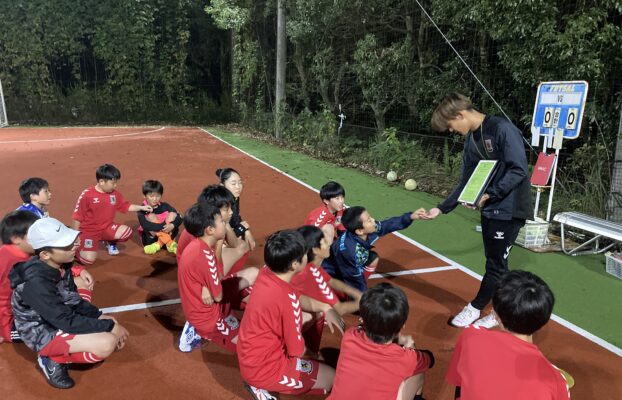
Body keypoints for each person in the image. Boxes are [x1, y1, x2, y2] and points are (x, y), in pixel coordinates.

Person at [421, 93, 531, 328]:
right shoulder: (472, 141)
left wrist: (491, 193)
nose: (452, 131)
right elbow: (466, 182)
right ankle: (503, 311)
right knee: (497, 263)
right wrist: (441, 209)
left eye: (451, 126)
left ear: (460, 114)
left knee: (495, 265)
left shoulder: (503, 129)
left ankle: (476, 308)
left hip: (510, 209)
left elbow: (519, 169)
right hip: (491, 209)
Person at [9, 218, 129, 389]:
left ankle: (63, 349)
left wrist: (98, 315)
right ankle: (51, 359)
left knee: (87, 293)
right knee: (106, 343)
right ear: (45, 254)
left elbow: (72, 298)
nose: (74, 246)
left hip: (56, 314)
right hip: (40, 330)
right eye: (66, 245)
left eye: (72, 241)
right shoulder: (35, 283)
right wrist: (108, 326)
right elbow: (65, 321)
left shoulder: (60, 265)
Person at [237, 230, 344, 399]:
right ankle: (258, 386)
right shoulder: (288, 300)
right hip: (265, 370)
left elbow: (295, 298)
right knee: (333, 379)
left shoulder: (267, 272)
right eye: (304, 254)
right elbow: (297, 350)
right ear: (294, 265)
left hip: (249, 353)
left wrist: (324, 306)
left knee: (312, 315)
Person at [446, 270, 570, 399]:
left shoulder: (470, 336)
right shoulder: (557, 382)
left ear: (495, 314)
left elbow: (459, 384)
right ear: (543, 320)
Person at [1, 211, 95, 344]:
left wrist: (77, 269)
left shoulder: (30, 253)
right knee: (62, 327)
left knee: (79, 282)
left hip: (32, 306)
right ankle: (50, 357)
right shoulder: (7, 259)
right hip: (13, 322)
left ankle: (75, 316)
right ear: (16, 239)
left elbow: (48, 263)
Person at [329, 283, 434, 400]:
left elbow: (361, 328)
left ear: (362, 319)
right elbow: (429, 359)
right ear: (403, 325)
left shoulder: (350, 337)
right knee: (417, 372)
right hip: (405, 351)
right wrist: (411, 347)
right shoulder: (407, 358)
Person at [177, 203, 258, 353]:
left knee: (253, 273)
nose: (225, 224)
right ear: (210, 229)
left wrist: (206, 286)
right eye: (222, 221)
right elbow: (218, 295)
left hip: (201, 301)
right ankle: (198, 331)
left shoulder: (197, 245)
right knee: (252, 348)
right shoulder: (206, 256)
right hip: (208, 319)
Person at [292, 225, 362, 355]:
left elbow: (331, 280)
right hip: (301, 324)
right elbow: (339, 309)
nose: (329, 243)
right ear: (315, 250)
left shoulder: (307, 266)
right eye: (324, 241)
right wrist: (364, 301)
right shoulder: (310, 274)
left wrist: (355, 292)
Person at [323, 206, 426, 292]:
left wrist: (411, 216)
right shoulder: (351, 251)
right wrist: (365, 304)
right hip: (330, 274)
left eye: (370, 217)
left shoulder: (364, 232)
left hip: (346, 267)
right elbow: (354, 279)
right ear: (359, 231)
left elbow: (388, 225)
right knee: (354, 297)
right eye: (369, 220)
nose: (373, 220)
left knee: (373, 258)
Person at [72, 164, 153, 265]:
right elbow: (76, 217)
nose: (115, 186)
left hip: (106, 227)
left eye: (116, 183)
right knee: (88, 260)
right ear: (101, 182)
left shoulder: (114, 194)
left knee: (126, 232)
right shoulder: (87, 195)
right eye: (113, 183)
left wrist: (141, 207)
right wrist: (74, 236)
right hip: (89, 231)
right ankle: (75, 251)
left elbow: (125, 206)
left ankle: (109, 241)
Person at [137, 180, 183, 255]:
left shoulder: (165, 205)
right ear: (144, 196)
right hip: (151, 240)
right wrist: (164, 227)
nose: (155, 199)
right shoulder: (142, 209)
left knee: (172, 214)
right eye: (151, 196)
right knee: (151, 216)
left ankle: (159, 245)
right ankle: (170, 244)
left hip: (165, 235)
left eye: (158, 196)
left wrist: (172, 225)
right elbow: (145, 225)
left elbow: (180, 217)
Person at [216, 168, 256, 251]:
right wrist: (241, 229)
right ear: (222, 186)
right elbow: (220, 235)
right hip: (213, 239)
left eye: (240, 182)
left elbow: (235, 216)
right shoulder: (219, 203)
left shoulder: (234, 197)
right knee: (241, 246)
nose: (238, 187)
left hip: (220, 232)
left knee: (241, 240)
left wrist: (246, 231)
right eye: (233, 184)